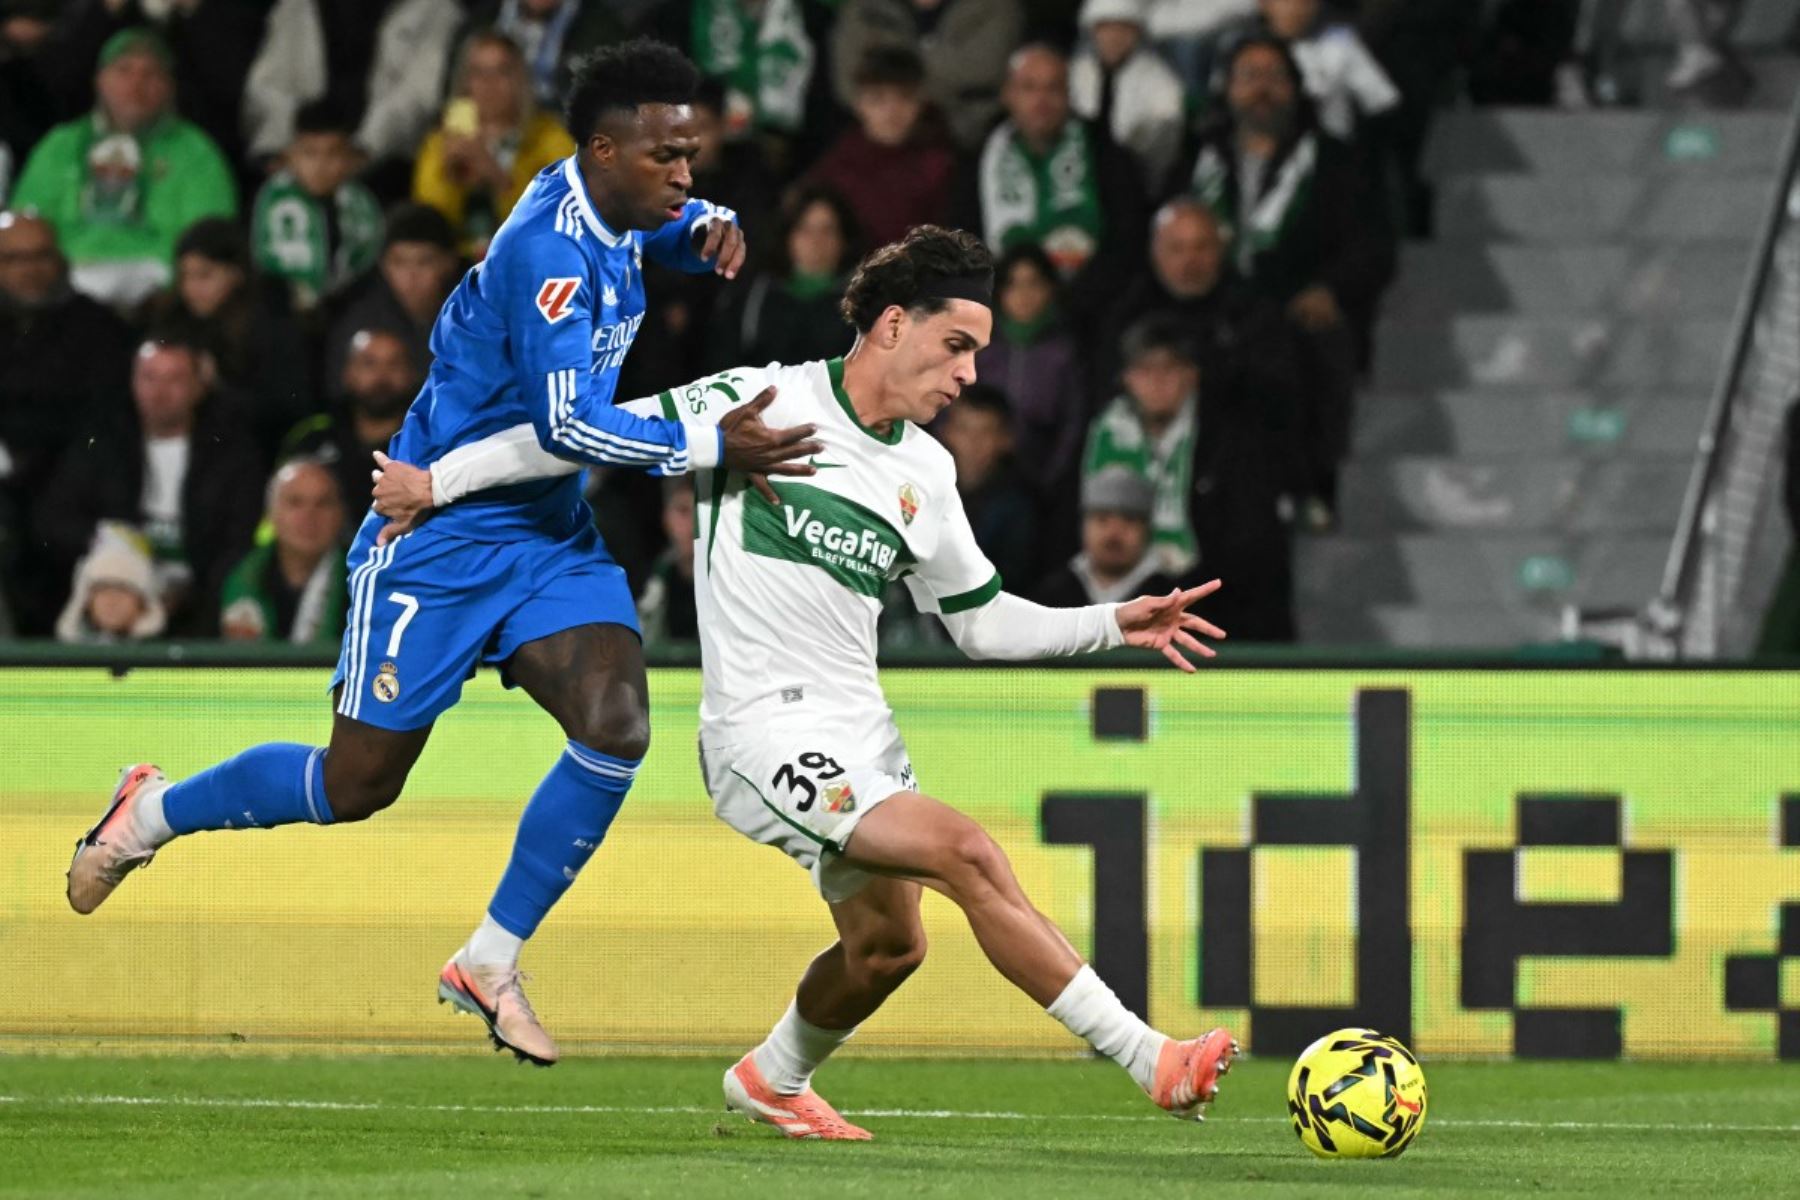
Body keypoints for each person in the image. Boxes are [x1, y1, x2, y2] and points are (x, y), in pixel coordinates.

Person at [368, 224, 1236, 1139]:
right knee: (968, 853)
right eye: (958, 347)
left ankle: (773, 1077)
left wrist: (1110, 623)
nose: (971, 375)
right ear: (893, 325)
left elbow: (978, 622)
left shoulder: (926, 472)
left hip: (861, 734)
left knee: (888, 948)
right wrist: (439, 481)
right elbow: (578, 438)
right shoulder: (757, 400)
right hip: (761, 734)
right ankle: (1152, 1059)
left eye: (979, 355)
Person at [63, 42, 817, 1077]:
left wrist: (699, 230)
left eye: (692, 157)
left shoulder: (611, 203)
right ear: (601, 151)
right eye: (668, 161)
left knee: (618, 726)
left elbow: (651, 231)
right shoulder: (546, 255)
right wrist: (708, 444)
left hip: (544, 533)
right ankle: (148, 810)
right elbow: (567, 425)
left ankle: (489, 961)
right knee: (356, 784)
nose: (687, 176)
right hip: (435, 532)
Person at [1183, 35, 1393, 514]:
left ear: (1298, 89)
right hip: (1209, 303)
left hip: (1294, 306)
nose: (1262, 89)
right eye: (1249, 77)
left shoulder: (1336, 159)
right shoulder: (1200, 157)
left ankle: (1307, 488)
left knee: (1309, 347)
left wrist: (1332, 289)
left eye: (1275, 77)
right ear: (1228, 89)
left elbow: (1372, 244)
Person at [38, 337, 265, 636]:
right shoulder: (103, 444)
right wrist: (108, 544)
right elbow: (54, 519)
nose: (159, 392)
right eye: (149, 377)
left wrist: (190, 595)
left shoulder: (231, 452)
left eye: (175, 379)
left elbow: (239, 540)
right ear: (133, 382)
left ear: (199, 386)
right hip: (117, 596)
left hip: (199, 606)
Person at [11, 26, 236, 306]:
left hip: (157, 277)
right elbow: (25, 221)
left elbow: (210, 236)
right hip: (72, 275)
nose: (136, 84)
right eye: (124, 70)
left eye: (150, 74)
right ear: (100, 80)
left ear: (168, 86)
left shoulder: (196, 151)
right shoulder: (61, 145)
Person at [0, 209, 134, 634]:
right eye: (13, 259)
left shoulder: (97, 327)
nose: (30, 270)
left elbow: (107, 419)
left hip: (74, 479)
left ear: (59, 259)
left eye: (40, 256)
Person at [957, 43, 1148, 318]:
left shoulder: (1107, 155)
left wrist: (1070, 303)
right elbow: (962, 241)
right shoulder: (979, 158)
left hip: (1093, 313)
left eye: (1053, 88)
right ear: (1008, 95)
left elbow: (1126, 242)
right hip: (998, 315)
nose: (1041, 100)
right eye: (1029, 88)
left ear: (1069, 95)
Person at [147, 217, 314, 459]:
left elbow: (289, 407)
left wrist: (218, 386)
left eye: (204, 275)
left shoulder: (271, 325)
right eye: (185, 276)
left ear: (236, 273)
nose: (191, 288)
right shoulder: (175, 322)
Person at [413, 29, 576, 260]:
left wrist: (496, 176)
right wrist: (451, 178)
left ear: (520, 80)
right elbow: (429, 224)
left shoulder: (551, 137)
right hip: (460, 266)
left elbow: (559, 219)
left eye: (502, 72)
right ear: (466, 81)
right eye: (478, 73)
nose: (489, 84)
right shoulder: (443, 140)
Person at [1084, 317, 1203, 576]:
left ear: (1191, 375)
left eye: (1168, 369)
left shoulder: (1217, 437)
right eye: (1144, 369)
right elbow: (1099, 524)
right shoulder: (1110, 429)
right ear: (1127, 378)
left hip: (1205, 577)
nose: (1156, 381)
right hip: (1128, 577)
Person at [805, 45, 953, 252]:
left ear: (921, 102)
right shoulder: (836, 170)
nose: (892, 111)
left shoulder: (942, 165)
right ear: (859, 104)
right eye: (878, 98)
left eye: (905, 97)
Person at [831, 0, 1024, 150]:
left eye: (908, 96)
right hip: (876, 151)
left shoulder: (996, 6)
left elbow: (985, 70)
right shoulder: (864, 8)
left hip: (972, 143)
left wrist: (892, 71)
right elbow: (849, 81)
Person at [703, 185, 858, 372]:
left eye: (827, 230)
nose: (816, 241)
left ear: (844, 239)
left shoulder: (863, 304)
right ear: (788, 236)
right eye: (805, 229)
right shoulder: (753, 298)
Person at [252, 98, 384, 311]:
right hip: (283, 311)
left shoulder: (362, 203)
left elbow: (367, 263)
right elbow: (265, 262)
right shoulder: (274, 199)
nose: (321, 166)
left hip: (346, 311)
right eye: (310, 153)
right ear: (291, 156)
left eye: (332, 154)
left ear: (350, 159)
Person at [281, 327, 421, 515]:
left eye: (394, 364)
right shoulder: (313, 438)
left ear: (411, 375)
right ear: (348, 373)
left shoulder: (427, 445)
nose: (382, 376)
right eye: (369, 364)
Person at [324, 203, 460, 385]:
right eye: (399, 262)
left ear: (448, 263)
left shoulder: (473, 317)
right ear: (383, 265)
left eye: (424, 261)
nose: (411, 277)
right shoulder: (358, 324)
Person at [219, 458, 348, 647]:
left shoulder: (367, 586)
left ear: (340, 515)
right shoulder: (229, 575)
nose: (309, 516)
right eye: (295, 503)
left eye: (323, 503)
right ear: (271, 513)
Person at [1069, 0, 1188, 191]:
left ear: (1137, 33)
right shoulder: (1077, 74)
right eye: (1105, 28)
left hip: (1137, 182)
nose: (1113, 37)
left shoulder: (1160, 79)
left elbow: (1166, 133)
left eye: (1123, 29)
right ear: (1093, 32)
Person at [935, 383, 1039, 589]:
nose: (973, 443)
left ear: (1006, 440)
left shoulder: (1020, 505)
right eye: (964, 430)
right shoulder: (927, 488)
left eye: (985, 432)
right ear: (947, 433)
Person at [1032, 467, 1177, 607]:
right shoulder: (1051, 597)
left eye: (1129, 520)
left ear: (1146, 530)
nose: (1114, 533)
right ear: (1083, 525)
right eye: (1102, 519)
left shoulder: (1169, 601)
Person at [54, 521, 168, 644]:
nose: (112, 600)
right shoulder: (64, 660)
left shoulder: (163, 658)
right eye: (103, 589)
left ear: (143, 602)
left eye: (123, 589)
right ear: (86, 599)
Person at [634, 477, 698, 646]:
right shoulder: (642, 583)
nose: (694, 524)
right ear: (666, 517)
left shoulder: (737, 583)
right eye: (683, 511)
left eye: (702, 512)